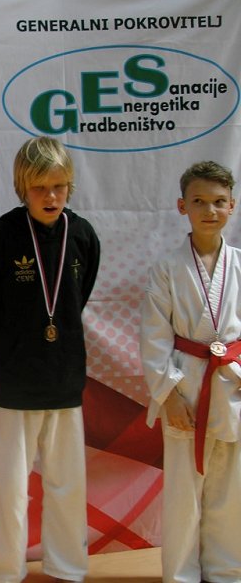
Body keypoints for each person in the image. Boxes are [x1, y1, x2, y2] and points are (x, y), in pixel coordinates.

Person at [0, 136, 100, 583]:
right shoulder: (2, 237)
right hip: (13, 383)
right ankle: (7, 572)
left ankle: (67, 568)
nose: (50, 196)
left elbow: (78, 297)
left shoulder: (82, 235)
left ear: (70, 186)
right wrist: (12, 353)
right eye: (40, 188)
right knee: (10, 487)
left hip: (64, 378)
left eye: (59, 186)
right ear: (22, 188)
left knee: (67, 483)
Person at [141, 161, 241, 583]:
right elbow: (153, 336)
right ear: (182, 206)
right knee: (184, 490)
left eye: (219, 202)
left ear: (232, 206)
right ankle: (181, 574)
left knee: (230, 488)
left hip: (232, 385)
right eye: (199, 201)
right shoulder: (166, 267)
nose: (209, 210)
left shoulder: (240, 264)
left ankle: (226, 571)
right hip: (185, 384)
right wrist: (168, 394)